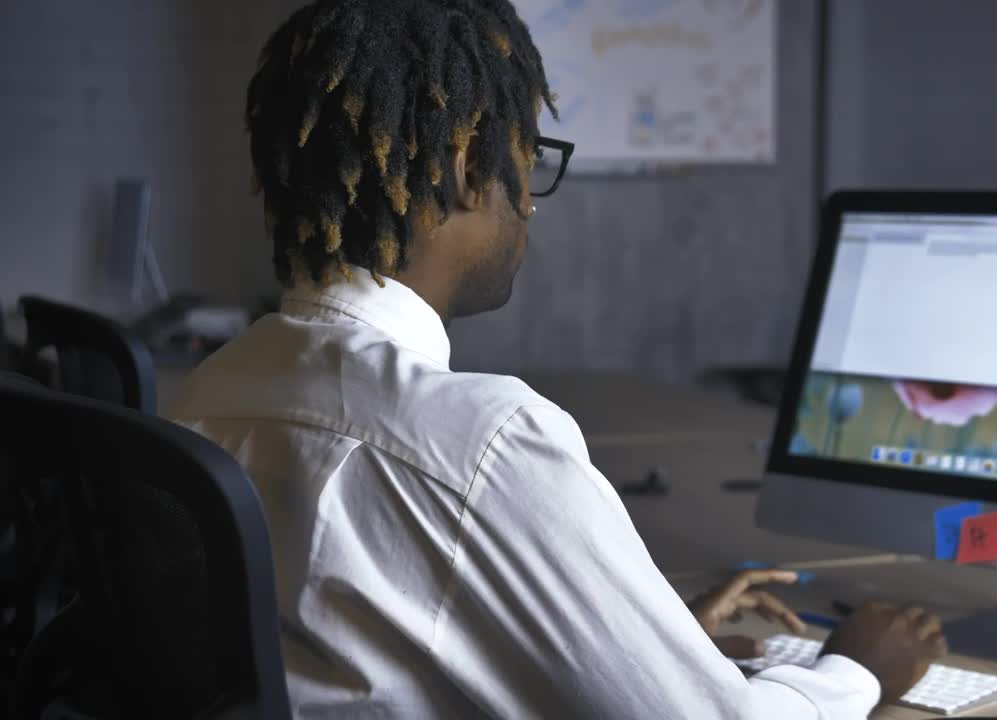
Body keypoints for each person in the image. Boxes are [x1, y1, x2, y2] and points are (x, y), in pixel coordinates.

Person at [171, 0, 946, 716]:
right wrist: (858, 668)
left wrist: (645, 641)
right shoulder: (484, 442)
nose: (530, 203)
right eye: (528, 157)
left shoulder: (211, 391)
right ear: (469, 170)